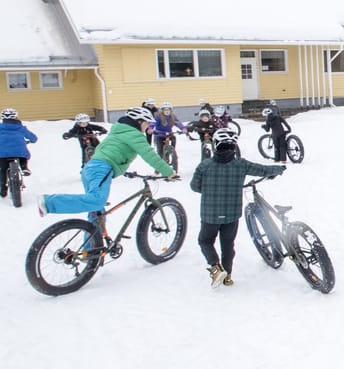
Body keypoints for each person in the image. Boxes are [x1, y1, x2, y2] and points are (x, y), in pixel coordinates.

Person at [38, 107, 176, 217]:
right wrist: (168, 172)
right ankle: (49, 202)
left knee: (96, 213)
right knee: (97, 201)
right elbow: (149, 155)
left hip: (92, 168)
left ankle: (93, 248)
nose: (147, 127)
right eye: (147, 123)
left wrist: (119, 166)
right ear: (139, 122)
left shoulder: (117, 132)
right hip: (101, 168)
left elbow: (105, 150)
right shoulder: (134, 135)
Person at [189, 128, 285, 287]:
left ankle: (215, 268)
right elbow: (263, 170)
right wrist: (279, 169)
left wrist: (209, 190)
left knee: (205, 240)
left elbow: (194, 186)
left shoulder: (204, 165)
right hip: (231, 214)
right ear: (234, 146)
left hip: (209, 214)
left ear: (215, 145)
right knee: (228, 244)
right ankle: (228, 276)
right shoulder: (241, 164)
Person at [0, 107, 38, 198]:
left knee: (3, 170)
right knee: (22, 155)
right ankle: (24, 167)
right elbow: (34, 138)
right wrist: (31, 140)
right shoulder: (21, 128)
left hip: (2, 153)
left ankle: (3, 190)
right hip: (19, 151)